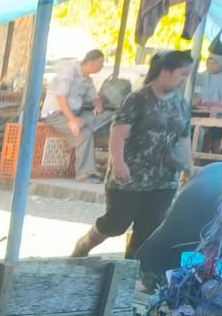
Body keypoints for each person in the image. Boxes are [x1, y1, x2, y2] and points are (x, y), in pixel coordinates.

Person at [69, 50, 194, 258]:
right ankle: (85, 243)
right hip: (129, 175)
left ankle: (130, 272)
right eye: (182, 74)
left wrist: (188, 166)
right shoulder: (136, 99)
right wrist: (118, 162)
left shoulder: (180, 104)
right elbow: (118, 134)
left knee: (149, 227)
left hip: (164, 178)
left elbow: (183, 137)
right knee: (117, 223)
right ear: (165, 71)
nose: (185, 80)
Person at [42, 49, 110, 182]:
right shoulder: (69, 72)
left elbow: (94, 98)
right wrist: (72, 120)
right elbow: (61, 97)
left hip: (77, 114)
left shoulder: (87, 80)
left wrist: (98, 105)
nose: (102, 67)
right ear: (91, 63)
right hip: (57, 114)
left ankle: (83, 127)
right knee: (85, 135)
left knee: (109, 116)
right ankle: (84, 174)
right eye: (100, 64)